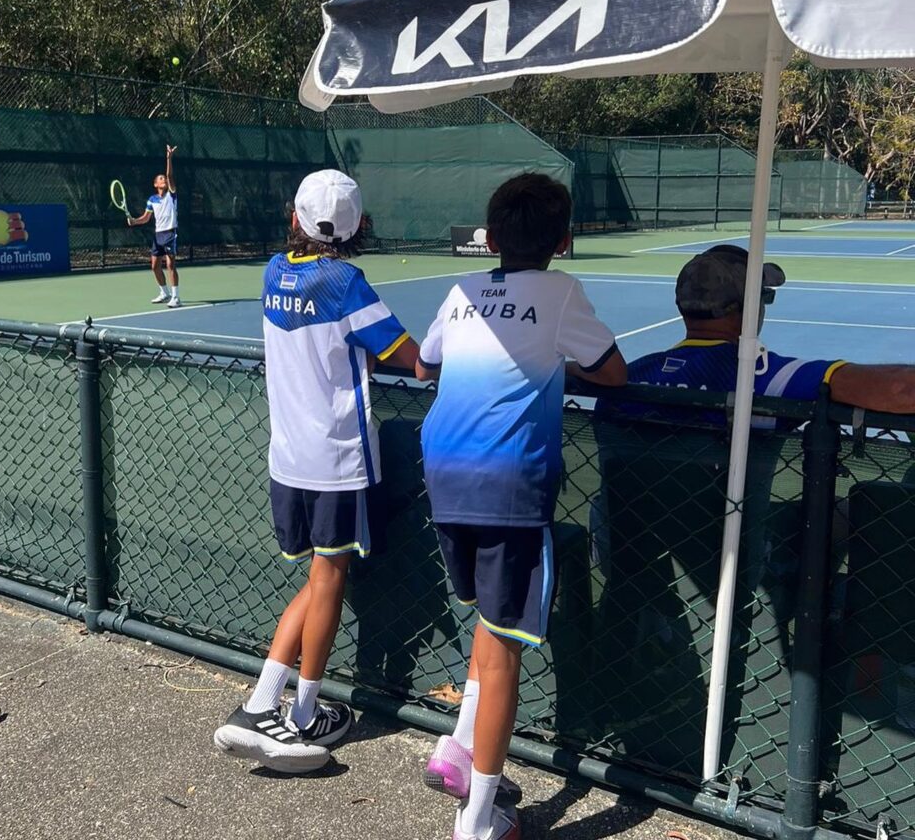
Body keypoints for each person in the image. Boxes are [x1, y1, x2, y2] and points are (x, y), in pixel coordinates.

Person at [415, 173, 627, 840]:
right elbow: (613, 371)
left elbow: (425, 365)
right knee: (507, 644)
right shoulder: (562, 291)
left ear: (490, 239)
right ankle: (479, 820)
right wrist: (555, 363)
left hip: (444, 475)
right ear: (563, 241)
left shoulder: (461, 291)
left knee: (489, 617)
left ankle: (456, 747)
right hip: (509, 484)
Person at [213, 169, 420, 773]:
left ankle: (267, 704)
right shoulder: (347, 282)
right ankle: (295, 713)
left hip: (287, 459)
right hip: (337, 460)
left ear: (296, 217)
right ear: (358, 227)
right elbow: (411, 360)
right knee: (330, 578)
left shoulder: (274, 271)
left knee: (317, 576)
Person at [618, 244, 915, 414]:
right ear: (748, 306)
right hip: (739, 523)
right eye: (764, 296)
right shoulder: (769, 378)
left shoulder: (628, 378)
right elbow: (901, 390)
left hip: (629, 523)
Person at [126, 144, 180, 308]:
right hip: (158, 235)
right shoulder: (152, 199)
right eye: (161, 179)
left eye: (165, 179)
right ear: (155, 184)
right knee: (154, 265)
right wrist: (134, 221)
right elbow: (146, 218)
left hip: (170, 233)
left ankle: (176, 297)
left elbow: (170, 175)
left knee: (171, 264)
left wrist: (169, 158)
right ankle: (164, 293)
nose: (164, 180)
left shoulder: (172, 194)